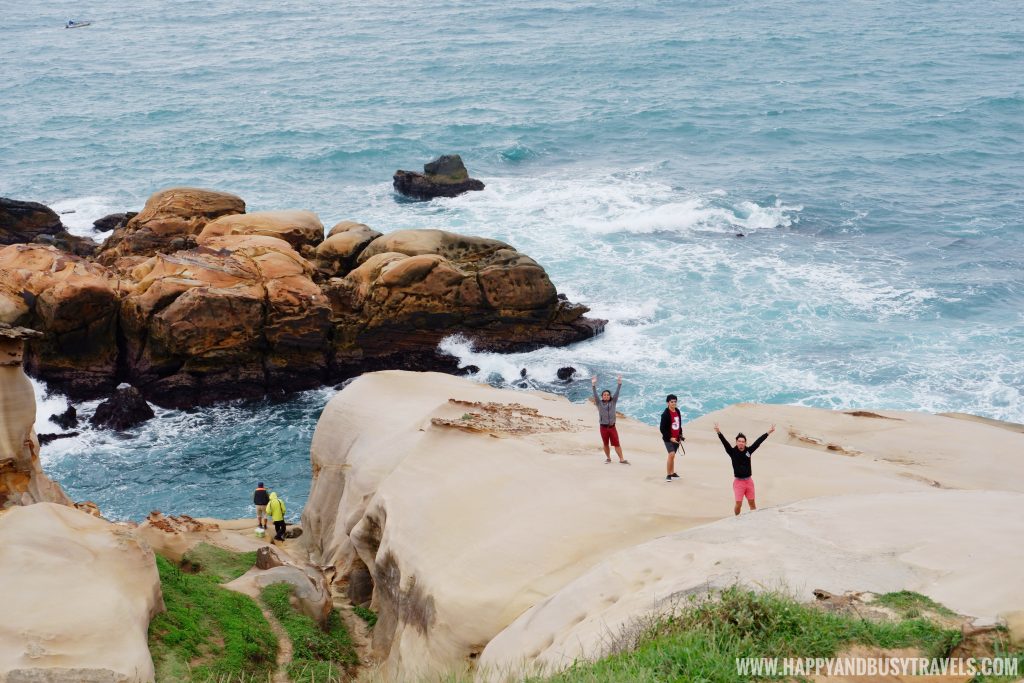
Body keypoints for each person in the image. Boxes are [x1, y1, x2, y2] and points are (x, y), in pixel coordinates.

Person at [714, 422, 775, 515]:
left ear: (745, 442)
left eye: (743, 441)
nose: (741, 443)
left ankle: (754, 518)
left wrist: (768, 433)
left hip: (749, 481)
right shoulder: (732, 452)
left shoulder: (749, 451)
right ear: (736, 442)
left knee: (752, 503)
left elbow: (758, 442)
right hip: (738, 482)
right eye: (739, 441)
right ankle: (736, 518)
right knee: (738, 504)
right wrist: (718, 432)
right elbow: (724, 442)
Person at [592, 375, 629, 464]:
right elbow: (595, 394)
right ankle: (608, 458)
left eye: (608, 395)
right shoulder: (599, 403)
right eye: (604, 395)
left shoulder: (613, 402)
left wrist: (619, 384)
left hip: (612, 427)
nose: (606, 396)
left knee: (617, 443)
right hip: (603, 427)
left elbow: (617, 392)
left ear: (610, 396)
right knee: (605, 444)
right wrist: (593, 385)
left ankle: (621, 459)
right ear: (602, 396)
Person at [659, 394, 684, 482]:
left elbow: (679, 424)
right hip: (668, 438)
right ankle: (668, 475)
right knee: (671, 454)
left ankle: (672, 473)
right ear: (668, 403)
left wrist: (680, 435)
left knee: (673, 456)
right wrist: (670, 438)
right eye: (671, 402)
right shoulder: (665, 415)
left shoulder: (677, 411)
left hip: (677, 438)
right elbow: (662, 429)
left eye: (675, 402)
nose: (674, 403)